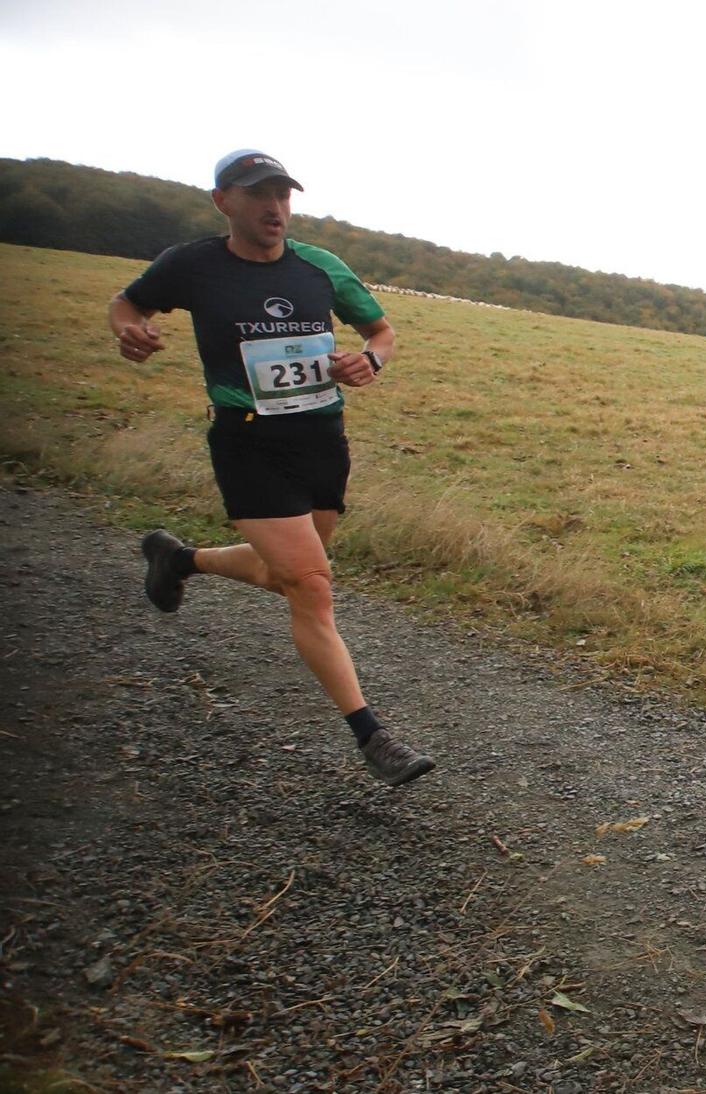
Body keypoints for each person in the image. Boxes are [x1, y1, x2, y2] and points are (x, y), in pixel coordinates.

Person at [108, 149, 434, 787]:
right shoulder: (192, 265)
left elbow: (382, 332)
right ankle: (372, 736)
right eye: (259, 195)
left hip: (321, 440)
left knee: (284, 572)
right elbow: (128, 304)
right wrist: (130, 331)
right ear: (223, 201)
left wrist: (369, 362)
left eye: (283, 195)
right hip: (248, 440)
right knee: (311, 584)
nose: (274, 208)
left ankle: (180, 560)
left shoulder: (321, 267)